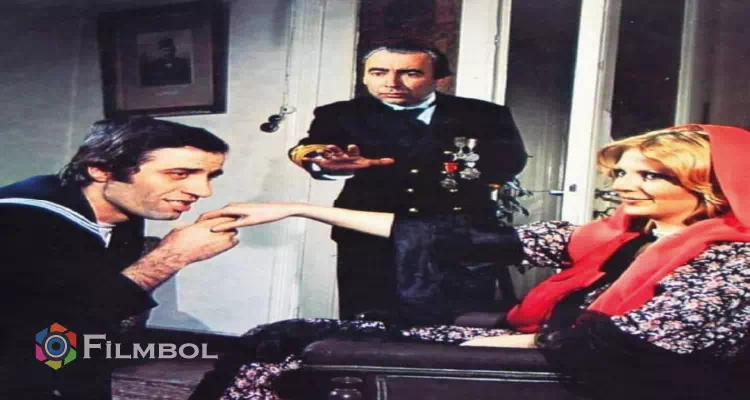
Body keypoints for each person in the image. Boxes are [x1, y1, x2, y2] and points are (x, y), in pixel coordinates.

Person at [192, 124, 749, 400]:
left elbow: (633, 350)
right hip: (538, 348)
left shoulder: (732, 259)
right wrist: (298, 208)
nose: (624, 185)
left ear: (710, 185)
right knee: (272, 335)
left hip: (565, 372)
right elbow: (445, 238)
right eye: (622, 172)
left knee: (289, 360)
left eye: (649, 175)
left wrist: (513, 343)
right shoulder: (614, 236)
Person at [0, 117, 239, 399]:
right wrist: (169, 257)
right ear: (101, 169)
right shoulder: (18, 220)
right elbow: (37, 348)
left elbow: (85, 328)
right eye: (178, 173)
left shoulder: (121, 214)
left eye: (209, 176)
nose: (203, 191)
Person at [288, 41, 527, 319]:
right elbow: (310, 150)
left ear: (440, 79)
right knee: (368, 324)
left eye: (410, 73)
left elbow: (508, 163)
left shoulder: (485, 114)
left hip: (456, 235)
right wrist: (327, 163)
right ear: (364, 77)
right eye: (378, 73)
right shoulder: (340, 114)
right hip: (369, 239)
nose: (391, 83)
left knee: (457, 322)